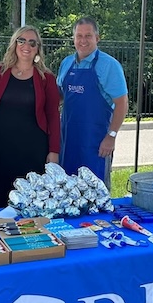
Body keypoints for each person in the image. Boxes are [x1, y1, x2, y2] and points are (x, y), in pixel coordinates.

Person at [0, 27, 60, 209]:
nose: (26, 45)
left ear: (38, 48)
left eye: (32, 42)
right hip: (0, 148)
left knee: (31, 199)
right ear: (14, 44)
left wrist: (54, 150)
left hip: (33, 150)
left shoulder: (46, 78)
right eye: (21, 40)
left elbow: (53, 116)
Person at [57, 17, 128, 190]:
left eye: (88, 36)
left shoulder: (109, 65)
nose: (83, 40)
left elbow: (122, 103)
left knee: (97, 193)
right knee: (68, 192)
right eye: (79, 36)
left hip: (96, 143)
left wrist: (111, 136)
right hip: (68, 141)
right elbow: (59, 97)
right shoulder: (66, 64)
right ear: (73, 38)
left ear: (97, 38)